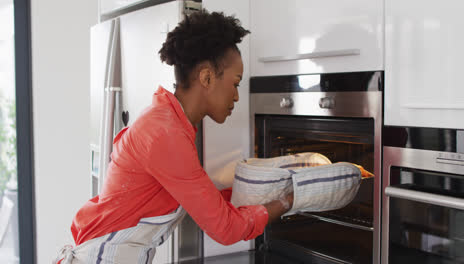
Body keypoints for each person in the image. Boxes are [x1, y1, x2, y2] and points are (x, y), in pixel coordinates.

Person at [54, 9, 293, 264]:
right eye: (235, 83)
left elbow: (207, 203)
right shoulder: (165, 133)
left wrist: (262, 191)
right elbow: (226, 228)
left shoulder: (170, 122)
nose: (236, 95)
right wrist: (290, 201)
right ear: (207, 77)